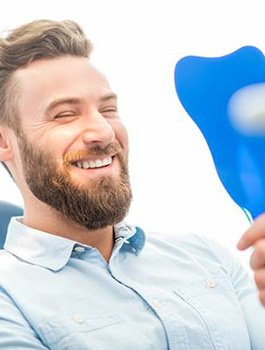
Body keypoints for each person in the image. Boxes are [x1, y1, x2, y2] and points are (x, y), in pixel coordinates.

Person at [0, 19, 264, 350]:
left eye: (108, 109)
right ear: (3, 140)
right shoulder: (7, 297)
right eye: (65, 115)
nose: (104, 132)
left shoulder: (207, 257)